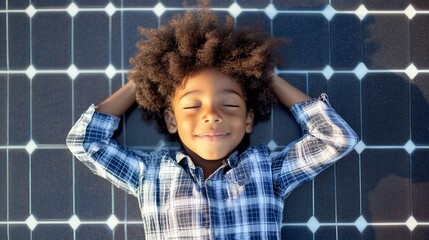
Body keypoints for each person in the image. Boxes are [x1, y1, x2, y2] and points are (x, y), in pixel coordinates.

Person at [66, 5, 359, 239]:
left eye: (230, 104)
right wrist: (142, 80)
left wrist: (267, 77)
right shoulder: (151, 176)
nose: (212, 114)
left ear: (248, 120)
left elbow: (334, 139)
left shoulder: (266, 173)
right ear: (171, 120)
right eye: (193, 105)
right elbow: (85, 141)